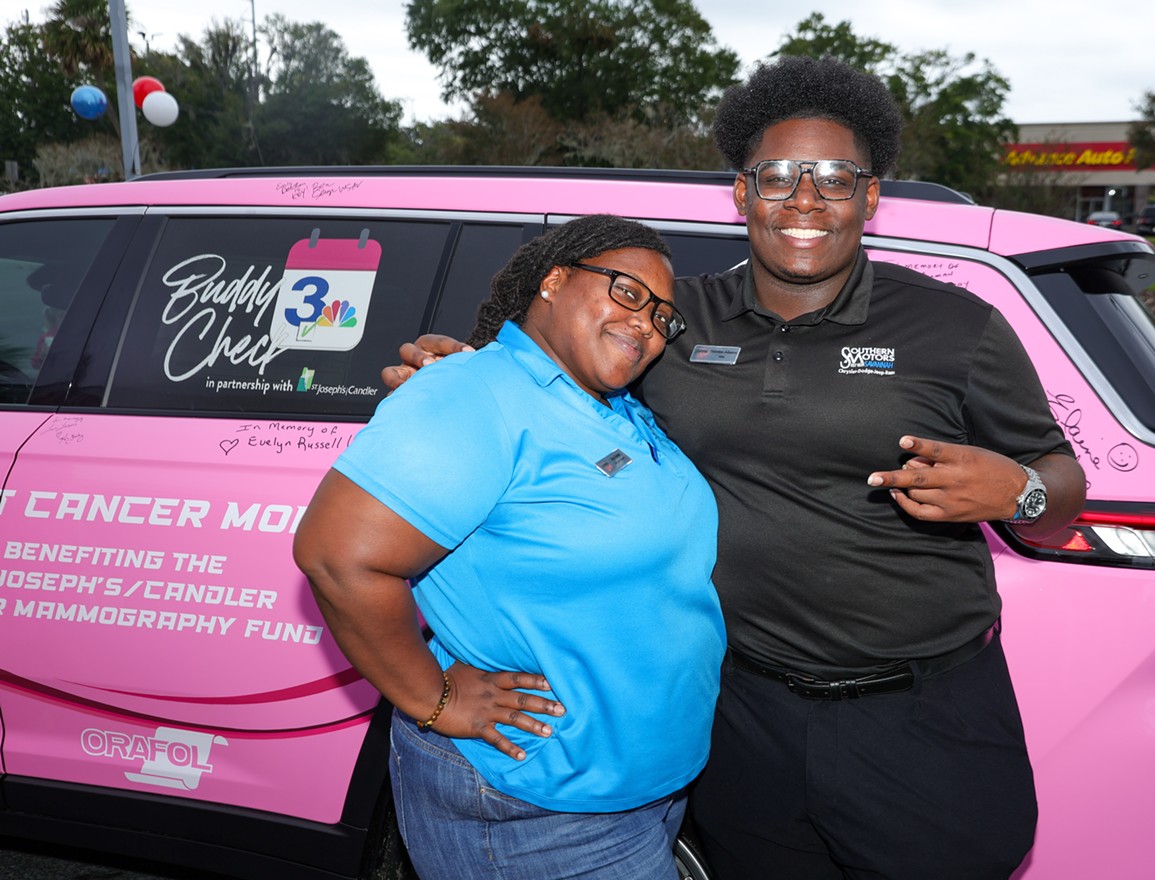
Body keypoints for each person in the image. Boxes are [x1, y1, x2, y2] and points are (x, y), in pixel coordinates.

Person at [384, 57, 1086, 880]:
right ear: (742, 193)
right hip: (740, 709)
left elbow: (1060, 487)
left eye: (835, 177)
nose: (805, 199)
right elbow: (552, 371)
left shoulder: (956, 328)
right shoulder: (676, 318)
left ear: (870, 196)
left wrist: (1022, 490)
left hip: (922, 714)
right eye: (778, 175)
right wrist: (463, 375)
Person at [294, 215, 726, 880]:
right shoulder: (475, 394)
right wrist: (434, 698)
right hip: (536, 809)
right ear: (553, 280)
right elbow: (337, 557)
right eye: (628, 294)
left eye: (663, 316)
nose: (646, 325)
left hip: (642, 792)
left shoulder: (614, 403)